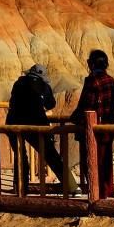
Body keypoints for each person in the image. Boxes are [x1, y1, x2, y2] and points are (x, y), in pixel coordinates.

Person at [8, 64, 73, 193]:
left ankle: (20, 188)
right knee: (50, 154)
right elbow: (51, 103)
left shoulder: (18, 83)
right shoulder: (44, 86)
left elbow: (13, 102)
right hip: (36, 124)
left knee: (20, 156)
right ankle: (71, 186)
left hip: (14, 123)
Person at [73, 49, 114, 199]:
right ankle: (106, 191)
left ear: (91, 64)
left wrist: (74, 118)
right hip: (108, 126)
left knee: (92, 161)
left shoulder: (93, 81)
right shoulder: (112, 81)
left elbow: (87, 104)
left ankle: (96, 194)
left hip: (93, 129)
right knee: (105, 159)